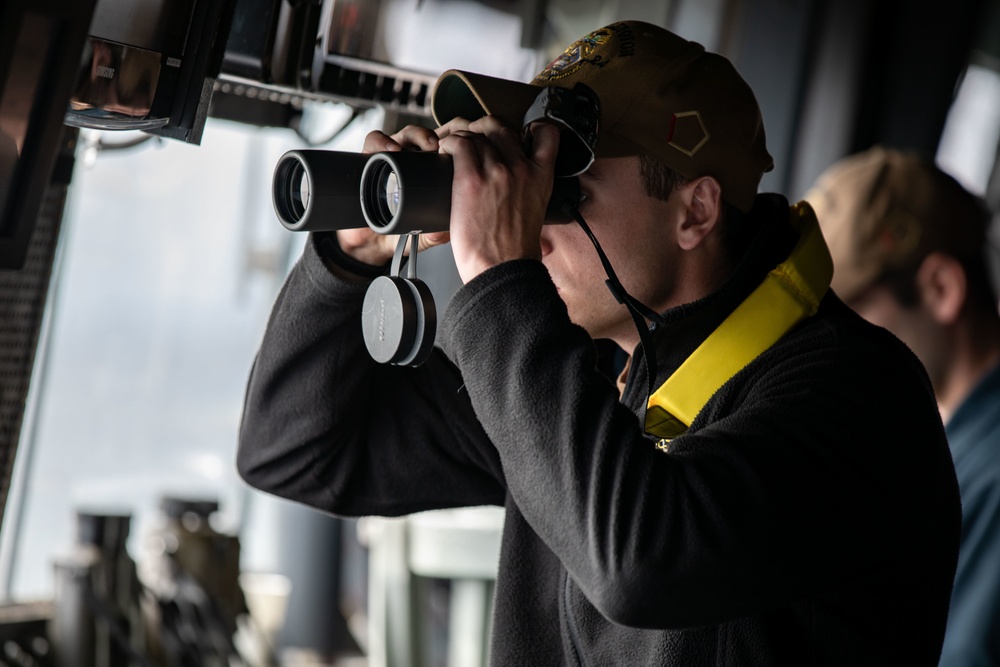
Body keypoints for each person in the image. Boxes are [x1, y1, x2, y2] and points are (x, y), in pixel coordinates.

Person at [238, 20, 961, 665]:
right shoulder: (593, 371)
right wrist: (347, 256)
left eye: (560, 188)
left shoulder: (859, 394)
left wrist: (500, 274)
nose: (532, 219)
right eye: (525, 173)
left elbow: (641, 561)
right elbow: (294, 447)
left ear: (695, 211)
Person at [806, 147, 1000, 667]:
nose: (818, 351)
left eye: (849, 317)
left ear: (940, 289)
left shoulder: (988, 474)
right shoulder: (947, 447)